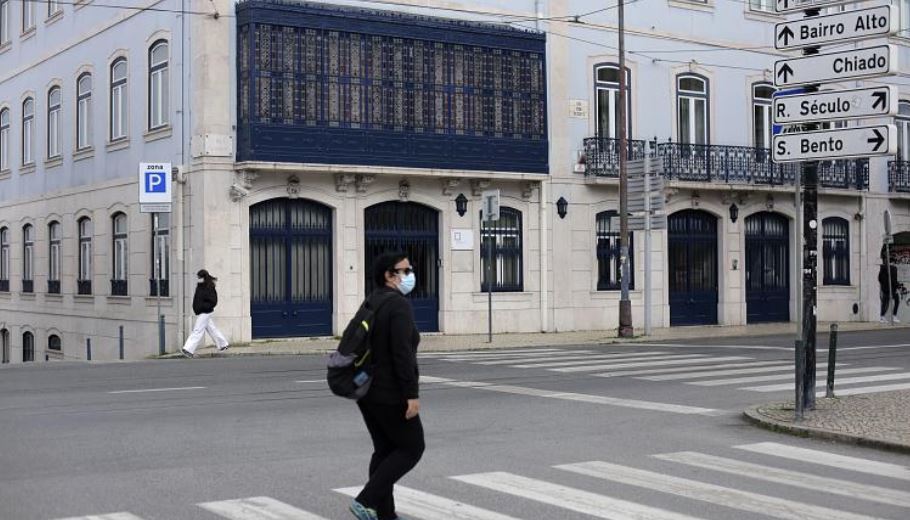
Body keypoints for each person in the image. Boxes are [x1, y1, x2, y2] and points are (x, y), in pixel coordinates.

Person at [349, 252, 423, 520]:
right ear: (388, 275)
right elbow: (402, 354)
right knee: (412, 448)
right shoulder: (398, 305)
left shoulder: (372, 300)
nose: (410, 274)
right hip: (390, 392)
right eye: (404, 270)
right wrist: (411, 395)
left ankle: (385, 514)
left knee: (385, 450)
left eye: (409, 269)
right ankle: (365, 500)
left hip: (366, 390)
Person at [181, 269, 230, 357]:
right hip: (201, 311)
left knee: (197, 330)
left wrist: (203, 307)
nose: (198, 279)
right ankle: (223, 344)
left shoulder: (209, 287)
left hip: (206, 312)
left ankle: (188, 349)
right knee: (212, 329)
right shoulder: (200, 287)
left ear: (203, 277)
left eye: (199, 277)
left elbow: (213, 301)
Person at [878, 255, 901, 324]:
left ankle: (882, 317)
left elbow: (879, 278)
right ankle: (894, 316)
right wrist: (898, 286)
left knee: (885, 302)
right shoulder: (894, 268)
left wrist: (883, 285)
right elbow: (894, 280)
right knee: (897, 300)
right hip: (892, 288)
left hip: (884, 288)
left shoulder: (882, 268)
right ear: (893, 262)